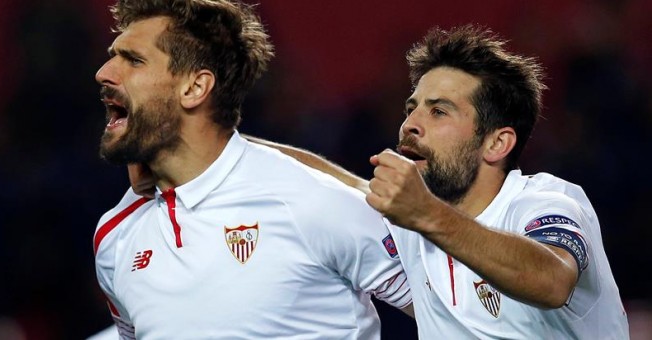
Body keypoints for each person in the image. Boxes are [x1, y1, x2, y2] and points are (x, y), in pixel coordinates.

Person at [131, 25, 630, 338]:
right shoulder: (414, 228)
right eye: (412, 108)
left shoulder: (544, 201)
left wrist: (427, 216)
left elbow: (551, 280)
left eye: (439, 112)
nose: (410, 124)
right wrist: (191, 149)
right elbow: (332, 180)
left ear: (496, 144)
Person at [92, 0, 412, 338]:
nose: (104, 72)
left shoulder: (313, 201)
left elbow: (452, 318)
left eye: (134, 60)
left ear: (195, 88)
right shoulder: (115, 236)